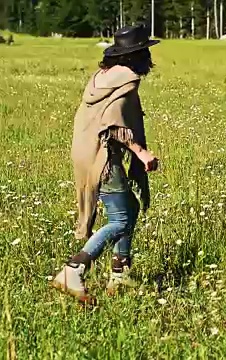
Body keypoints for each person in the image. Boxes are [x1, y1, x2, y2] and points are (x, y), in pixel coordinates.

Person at [52, 24, 160, 303]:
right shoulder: (128, 78)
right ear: (137, 54)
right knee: (120, 219)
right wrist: (140, 152)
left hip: (86, 151)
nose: (148, 57)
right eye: (145, 50)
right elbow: (113, 123)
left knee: (130, 208)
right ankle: (73, 269)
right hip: (104, 155)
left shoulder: (102, 75)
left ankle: (120, 273)